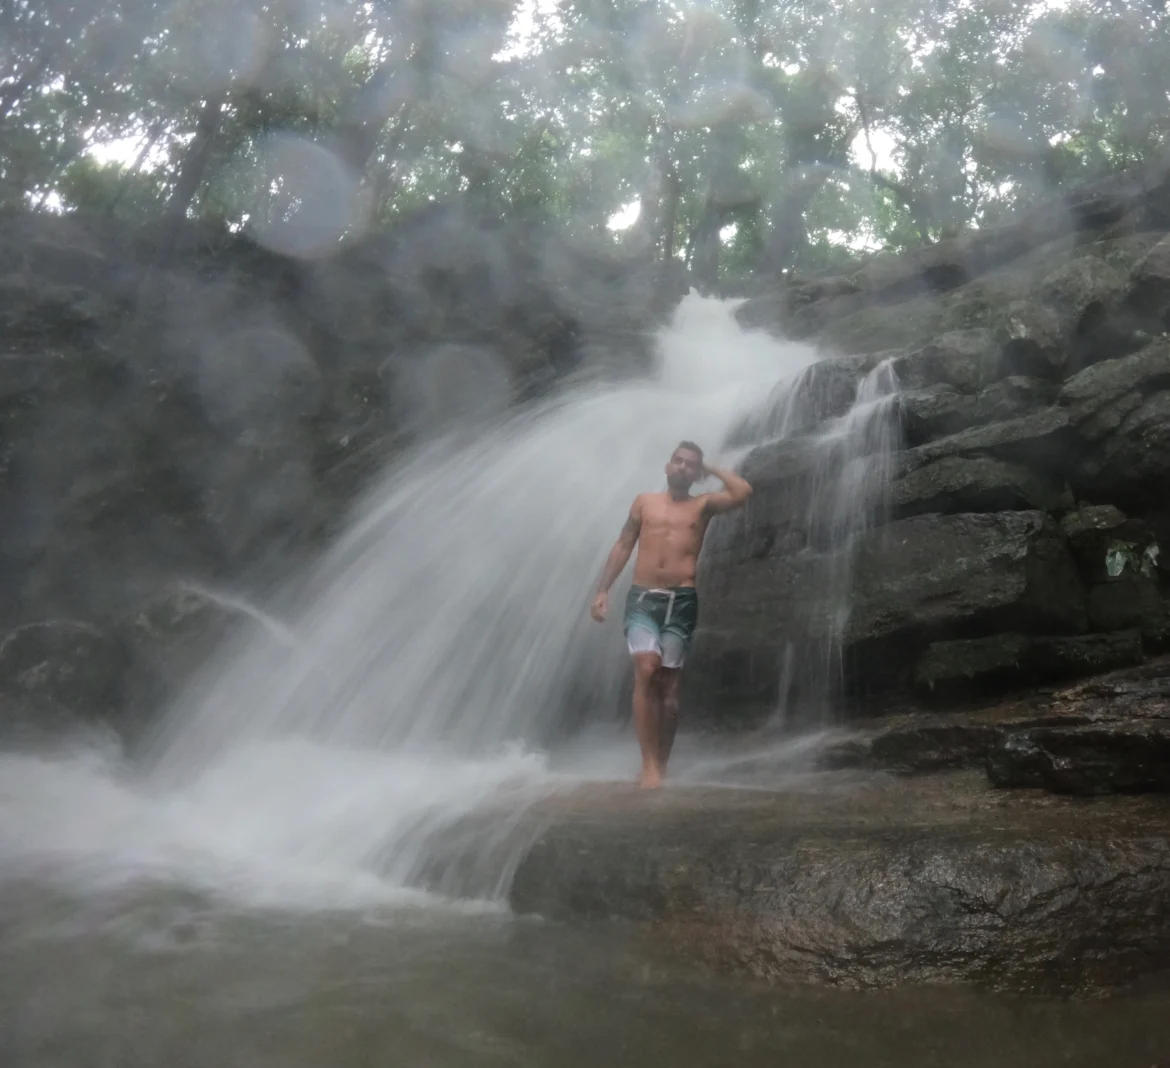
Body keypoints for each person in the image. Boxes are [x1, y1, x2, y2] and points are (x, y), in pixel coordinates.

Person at [589, 441, 752, 788]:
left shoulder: (703, 505)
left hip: (682, 601)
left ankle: (661, 762)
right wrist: (603, 589)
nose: (682, 468)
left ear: (696, 473)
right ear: (667, 466)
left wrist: (712, 470)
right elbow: (623, 544)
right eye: (677, 461)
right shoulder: (644, 502)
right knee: (647, 669)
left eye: (690, 465)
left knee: (669, 685)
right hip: (643, 599)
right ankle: (649, 766)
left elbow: (742, 491)